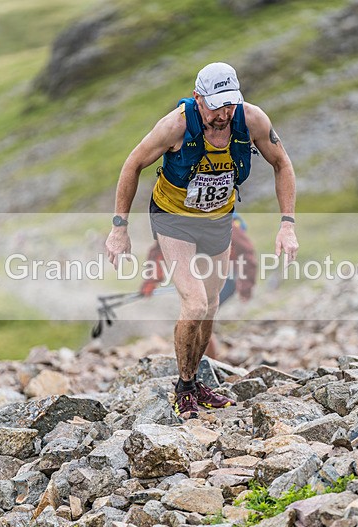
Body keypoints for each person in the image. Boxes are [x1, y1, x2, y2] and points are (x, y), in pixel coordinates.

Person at [106, 62, 298, 419]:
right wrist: (120, 228)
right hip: (173, 219)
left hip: (218, 220)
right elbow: (132, 165)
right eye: (215, 105)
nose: (223, 114)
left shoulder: (252, 120)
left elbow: (282, 164)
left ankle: (196, 383)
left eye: (230, 104)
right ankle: (184, 388)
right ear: (198, 98)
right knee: (193, 305)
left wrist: (287, 225)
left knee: (210, 305)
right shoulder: (175, 126)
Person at [140, 213, 257, 361]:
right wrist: (150, 282)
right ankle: (203, 362)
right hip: (198, 274)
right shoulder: (178, 223)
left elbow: (247, 254)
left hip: (225, 277)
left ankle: (204, 362)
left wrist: (246, 285)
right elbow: (159, 251)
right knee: (198, 316)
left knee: (200, 315)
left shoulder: (227, 225)